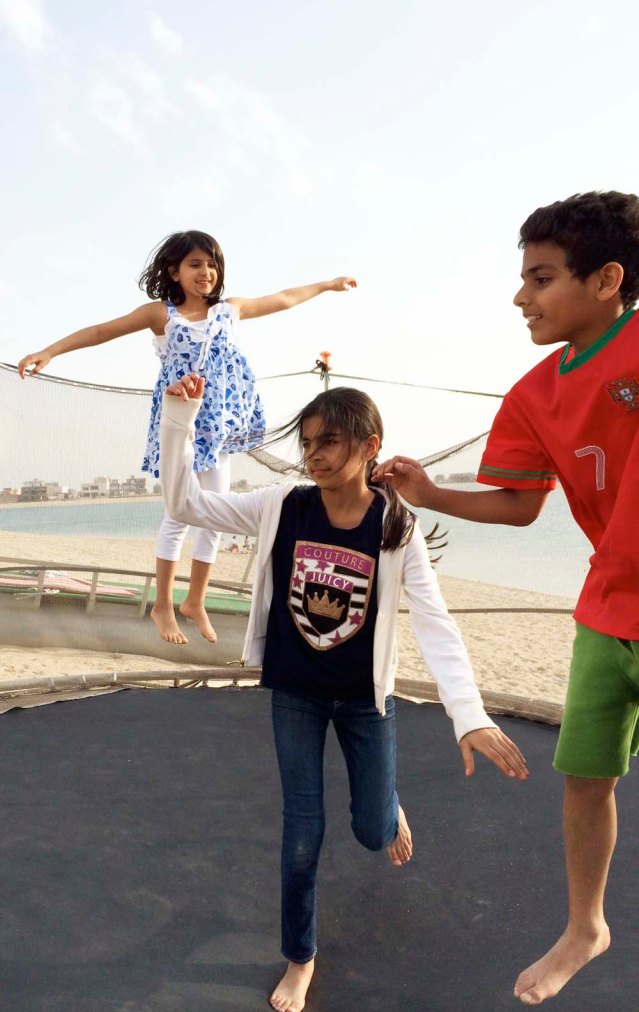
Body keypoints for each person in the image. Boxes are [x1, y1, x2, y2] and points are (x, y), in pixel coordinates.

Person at [160, 375, 529, 1012]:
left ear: (369, 446)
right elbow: (185, 504)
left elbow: (435, 622)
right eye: (308, 444)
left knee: (369, 829)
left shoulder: (396, 528)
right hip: (296, 693)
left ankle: (387, 805)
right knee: (302, 834)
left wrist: (467, 714)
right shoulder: (283, 505)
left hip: (364, 701)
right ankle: (300, 958)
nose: (315, 455)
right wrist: (179, 419)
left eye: (329, 442)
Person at [373, 190, 639, 1006]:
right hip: (608, 608)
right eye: (521, 277)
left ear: (606, 281)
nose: (520, 295)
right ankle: (583, 926)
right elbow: (519, 504)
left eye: (541, 277)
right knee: (586, 778)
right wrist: (428, 490)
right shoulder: (530, 394)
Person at [16, 230, 356, 646]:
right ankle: (162, 603)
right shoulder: (162, 314)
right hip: (182, 422)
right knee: (178, 514)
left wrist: (326, 285)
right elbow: (103, 330)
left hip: (219, 426)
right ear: (174, 270)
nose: (206, 272)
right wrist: (49, 351)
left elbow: (283, 297)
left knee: (216, 512)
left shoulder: (229, 311)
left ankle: (195, 601)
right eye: (196, 264)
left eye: (212, 265)